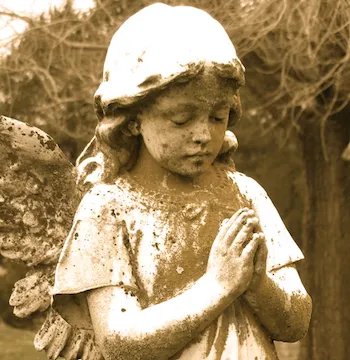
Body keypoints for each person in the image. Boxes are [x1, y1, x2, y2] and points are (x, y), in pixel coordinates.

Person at [51, 3, 312, 359]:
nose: (203, 134)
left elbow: (296, 321)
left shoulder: (245, 193)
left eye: (217, 117)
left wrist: (257, 284)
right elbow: (117, 343)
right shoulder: (110, 207)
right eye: (181, 119)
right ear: (132, 119)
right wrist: (217, 287)